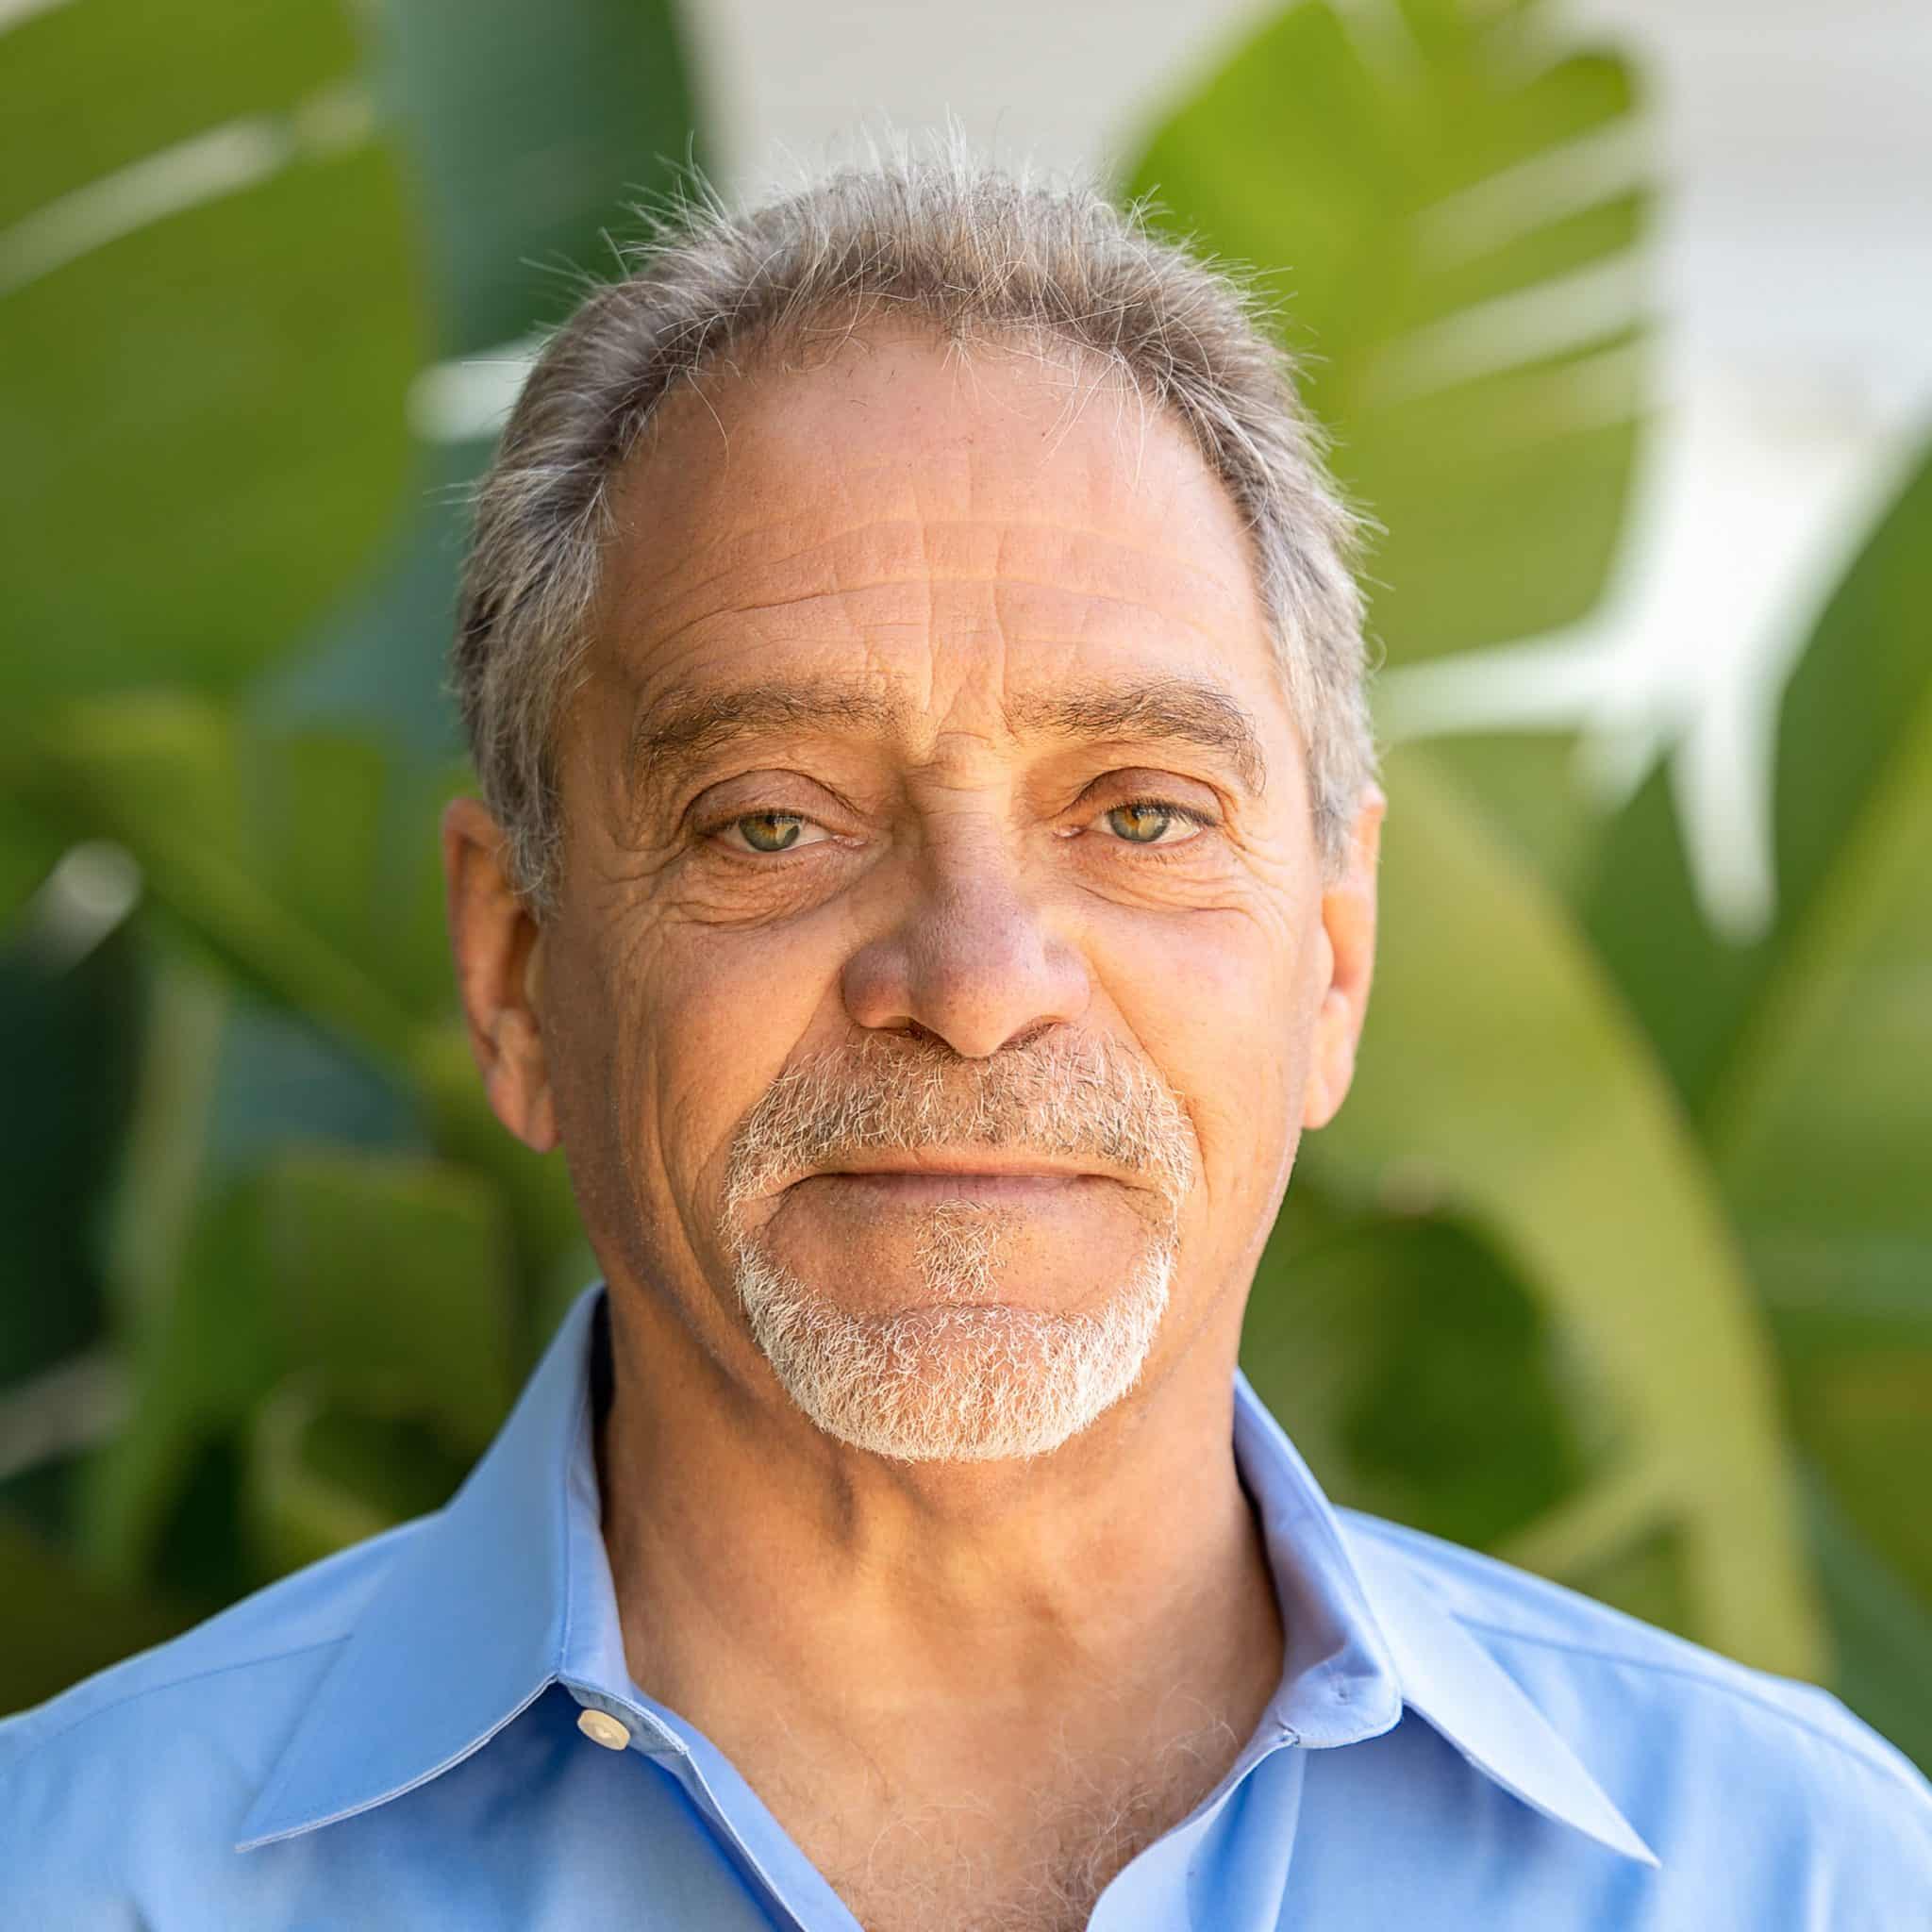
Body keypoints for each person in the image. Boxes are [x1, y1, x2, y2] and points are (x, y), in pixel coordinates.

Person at [4, 144, 1928, 1932]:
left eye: (1142, 813)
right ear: (515, 967)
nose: (979, 976)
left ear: (1331, 965)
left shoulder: (1795, 1879)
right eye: (772, 817)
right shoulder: (85, 1877)